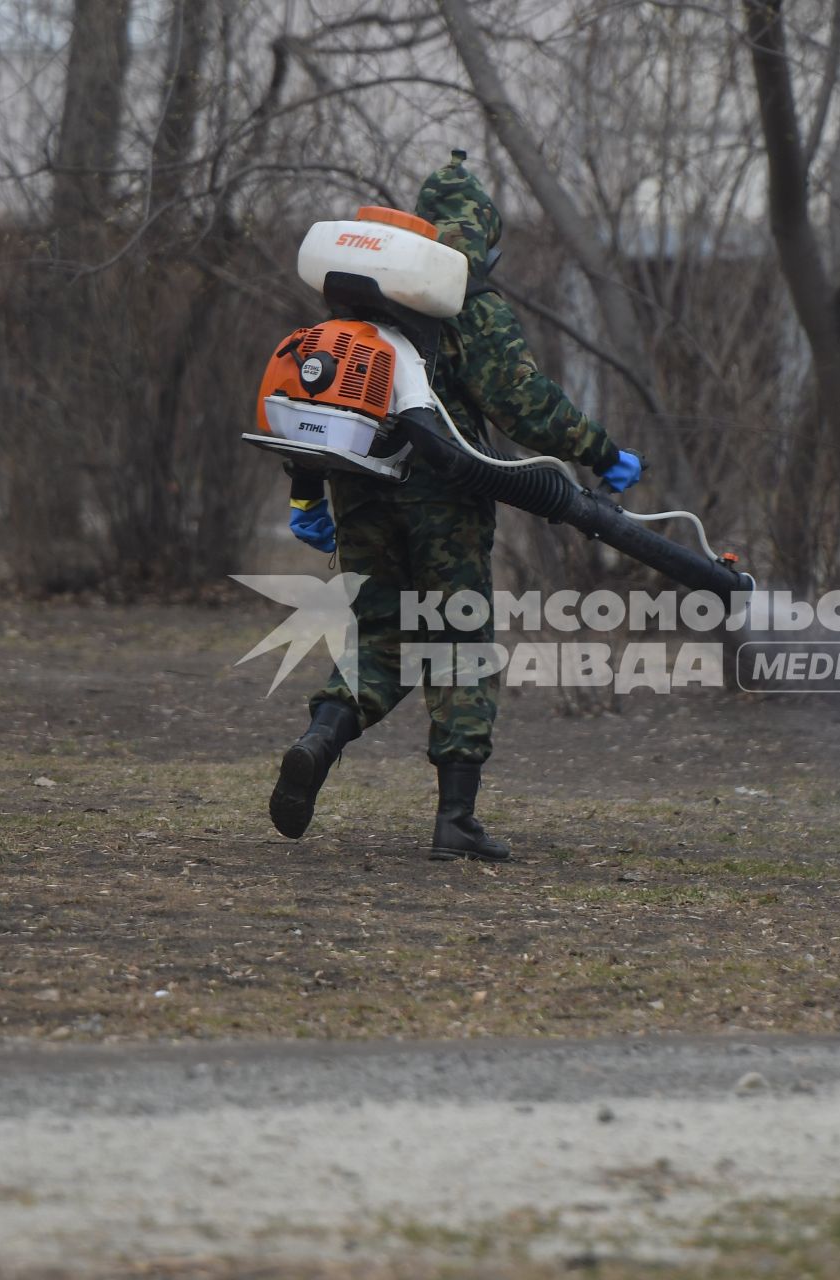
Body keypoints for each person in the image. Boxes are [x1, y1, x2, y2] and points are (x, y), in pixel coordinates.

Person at [269, 151, 643, 862]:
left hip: (358, 484)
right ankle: (456, 821)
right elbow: (522, 403)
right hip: (446, 498)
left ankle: (320, 738)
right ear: (485, 238)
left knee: (383, 637)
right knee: (458, 643)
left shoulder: (358, 296)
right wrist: (601, 453)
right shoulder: (462, 298)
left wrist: (307, 491)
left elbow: (314, 396)